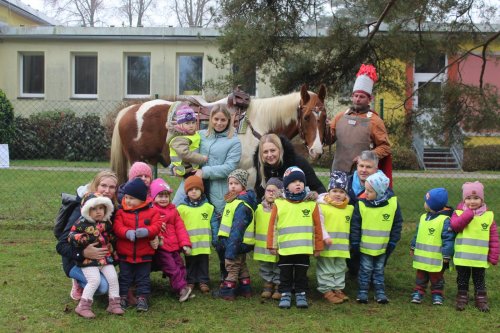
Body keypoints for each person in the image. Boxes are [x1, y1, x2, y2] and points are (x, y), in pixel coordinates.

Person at [56, 170, 118, 301]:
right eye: (103, 185)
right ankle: (78, 281)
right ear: (96, 186)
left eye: (112, 187)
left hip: (101, 260)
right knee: (102, 287)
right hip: (76, 260)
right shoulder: (83, 210)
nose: (107, 190)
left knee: (113, 280)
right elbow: (61, 245)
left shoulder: (112, 210)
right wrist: (83, 253)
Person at [267, 167, 324, 309]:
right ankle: (285, 293)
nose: (298, 184)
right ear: (286, 185)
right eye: (293, 181)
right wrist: (272, 245)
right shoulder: (279, 203)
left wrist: (318, 246)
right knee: (285, 274)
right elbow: (272, 226)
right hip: (285, 250)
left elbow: (317, 227)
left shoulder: (311, 204)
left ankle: (301, 293)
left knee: (301, 274)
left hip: (303, 250)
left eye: (300, 181)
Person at [172, 104, 241, 215]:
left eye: (223, 120)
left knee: (213, 221)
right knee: (177, 214)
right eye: (216, 119)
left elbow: (230, 167)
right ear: (211, 119)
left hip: (217, 189)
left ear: (228, 121)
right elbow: (184, 152)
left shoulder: (234, 141)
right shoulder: (200, 135)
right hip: (192, 183)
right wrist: (174, 168)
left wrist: (204, 172)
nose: (219, 123)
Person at [329, 64, 392, 183]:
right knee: (337, 201)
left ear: (369, 99)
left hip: (362, 175)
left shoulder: (375, 121)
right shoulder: (339, 117)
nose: (358, 99)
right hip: (337, 172)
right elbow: (328, 139)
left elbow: (385, 147)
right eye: (356, 96)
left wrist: (366, 157)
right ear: (352, 97)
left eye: (362, 97)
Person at [350, 172, 403, 304]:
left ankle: (380, 291)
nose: (365, 193)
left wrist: (392, 241)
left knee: (379, 269)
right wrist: (355, 241)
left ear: (379, 192)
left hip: (383, 246)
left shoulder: (392, 204)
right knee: (365, 269)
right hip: (365, 247)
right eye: (365, 189)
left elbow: (397, 224)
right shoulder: (361, 204)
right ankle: (363, 291)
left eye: (369, 191)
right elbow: (355, 225)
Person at [68, 193, 124, 318]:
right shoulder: (81, 223)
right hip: (89, 259)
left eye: (101, 208)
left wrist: (114, 249)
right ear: (87, 210)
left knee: (113, 277)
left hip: (105, 258)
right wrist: (80, 239)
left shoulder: (106, 223)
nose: (98, 212)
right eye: (94, 209)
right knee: (95, 280)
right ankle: (83, 306)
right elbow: (71, 236)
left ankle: (114, 304)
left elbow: (111, 237)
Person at [113, 178, 162, 312]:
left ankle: (143, 298)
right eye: (127, 197)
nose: (128, 201)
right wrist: (127, 232)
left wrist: (147, 231)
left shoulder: (152, 212)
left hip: (144, 253)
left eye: (132, 198)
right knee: (124, 277)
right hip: (125, 253)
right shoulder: (121, 212)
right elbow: (117, 226)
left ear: (142, 199)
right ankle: (122, 297)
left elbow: (157, 225)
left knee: (143, 278)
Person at [450, 181, 498, 312]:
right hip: (463, 257)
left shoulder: (488, 216)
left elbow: (493, 238)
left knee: (479, 278)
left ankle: (481, 299)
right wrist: (468, 214)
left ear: (482, 199)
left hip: (479, 258)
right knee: (462, 278)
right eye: (468, 198)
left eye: (476, 198)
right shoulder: (459, 213)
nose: (472, 201)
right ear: (463, 199)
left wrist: (493, 255)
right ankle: (462, 297)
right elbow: (455, 226)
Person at [215, 169, 257, 301]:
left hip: (236, 242)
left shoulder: (241, 204)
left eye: (236, 183)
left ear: (243, 186)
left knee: (232, 266)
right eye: (230, 183)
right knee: (241, 264)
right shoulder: (233, 201)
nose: (232, 186)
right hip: (239, 242)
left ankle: (228, 291)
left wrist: (230, 250)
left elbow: (237, 229)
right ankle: (245, 288)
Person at [150, 178, 193, 302]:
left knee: (180, 266)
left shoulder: (173, 211)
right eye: (160, 196)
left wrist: (185, 244)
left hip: (174, 247)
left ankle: (183, 287)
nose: (163, 199)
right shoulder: (152, 211)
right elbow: (151, 228)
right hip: (162, 248)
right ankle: (181, 289)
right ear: (153, 197)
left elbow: (181, 228)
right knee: (171, 268)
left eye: (166, 196)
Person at [410, 188, 455, 306]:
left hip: (436, 258)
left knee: (436, 277)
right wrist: (413, 246)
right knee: (421, 275)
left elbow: (448, 239)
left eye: (427, 201)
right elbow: (418, 233)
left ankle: (437, 294)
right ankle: (418, 292)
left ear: (433, 205)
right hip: (422, 257)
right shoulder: (423, 217)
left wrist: (446, 255)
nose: (424, 203)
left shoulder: (445, 220)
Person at [346, 150, 388, 277]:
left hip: (373, 229)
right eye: (361, 166)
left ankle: (372, 273)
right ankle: (352, 269)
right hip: (349, 226)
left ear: (376, 169)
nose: (363, 170)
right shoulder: (346, 182)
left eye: (368, 167)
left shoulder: (383, 185)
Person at [316, 171, 354, 304]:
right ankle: (326, 290)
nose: (338, 194)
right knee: (326, 268)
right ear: (329, 191)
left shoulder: (349, 209)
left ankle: (337, 288)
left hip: (342, 247)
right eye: (335, 190)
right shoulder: (322, 207)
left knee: (339, 268)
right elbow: (319, 225)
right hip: (328, 246)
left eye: (342, 192)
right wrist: (325, 237)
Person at [176, 176, 217, 294]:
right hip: (189, 244)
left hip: (204, 244)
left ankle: (203, 281)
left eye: (196, 189)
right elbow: (178, 226)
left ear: (201, 190)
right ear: (186, 192)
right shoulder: (181, 209)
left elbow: (213, 223)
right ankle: (191, 281)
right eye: (190, 189)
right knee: (191, 263)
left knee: (203, 263)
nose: (193, 191)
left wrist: (215, 238)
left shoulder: (208, 207)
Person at [253, 133, 326, 200]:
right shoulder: (261, 167)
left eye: (272, 150)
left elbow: (318, 188)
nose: (269, 155)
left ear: (280, 150)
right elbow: (260, 193)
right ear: (261, 154)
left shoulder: (298, 163)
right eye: (265, 152)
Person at [253, 177, 283, 300]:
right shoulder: (258, 209)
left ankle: (278, 285)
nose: (270, 193)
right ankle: (267, 284)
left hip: (276, 245)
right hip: (262, 246)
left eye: (274, 191)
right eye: (268, 190)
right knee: (265, 265)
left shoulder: (281, 208)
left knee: (277, 266)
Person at [166, 104, 208, 177]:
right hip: (185, 169)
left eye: (193, 122)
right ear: (180, 125)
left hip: (191, 166)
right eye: (187, 123)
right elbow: (184, 154)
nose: (191, 125)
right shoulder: (179, 138)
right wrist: (202, 158)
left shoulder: (190, 134)